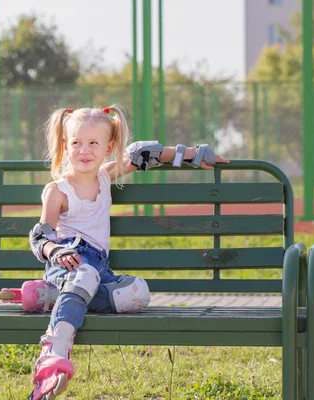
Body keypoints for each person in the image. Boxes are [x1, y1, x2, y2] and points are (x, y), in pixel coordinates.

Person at [26, 105, 229, 400]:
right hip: (68, 262)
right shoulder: (57, 190)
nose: (84, 150)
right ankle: (54, 353)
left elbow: (143, 155)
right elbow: (40, 235)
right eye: (76, 143)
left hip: (98, 269)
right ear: (64, 145)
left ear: (108, 147)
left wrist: (194, 153)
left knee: (136, 293)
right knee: (83, 276)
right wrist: (55, 250)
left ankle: (51, 297)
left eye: (93, 143)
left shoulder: (106, 177)